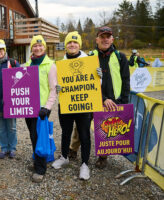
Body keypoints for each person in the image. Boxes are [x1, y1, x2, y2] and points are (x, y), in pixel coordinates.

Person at [52, 31, 102, 180]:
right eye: (69, 42)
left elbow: (97, 85)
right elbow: (55, 84)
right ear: (65, 45)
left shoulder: (89, 61)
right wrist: (57, 88)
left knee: (84, 134)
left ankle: (85, 164)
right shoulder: (60, 64)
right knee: (65, 132)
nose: (72, 45)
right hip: (67, 103)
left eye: (75, 42)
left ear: (79, 44)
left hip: (84, 105)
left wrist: (100, 77)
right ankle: (65, 156)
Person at [90, 26, 130, 169]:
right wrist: (103, 98)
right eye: (102, 37)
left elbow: (126, 80)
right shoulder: (90, 56)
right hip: (94, 98)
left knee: (107, 127)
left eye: (108, 37)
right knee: (81, 127)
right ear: (97, 39)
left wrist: (122, 103)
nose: (105, 39)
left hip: (114, 100)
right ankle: (73, 149)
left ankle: (103, 156)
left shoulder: (120, 57)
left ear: (112, 39)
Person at [24, 35, 57, 183]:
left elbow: (53, 89)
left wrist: (47, 107)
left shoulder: (50, 65)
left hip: (42, 110)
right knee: (32, 136)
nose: (37, 48)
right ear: (32, 48)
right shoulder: (27, 65)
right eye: (35, 46)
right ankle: (37, 160)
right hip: (28, 108)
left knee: (39, 137)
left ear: (44, 47)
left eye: (40, 45)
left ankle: (40, 169)